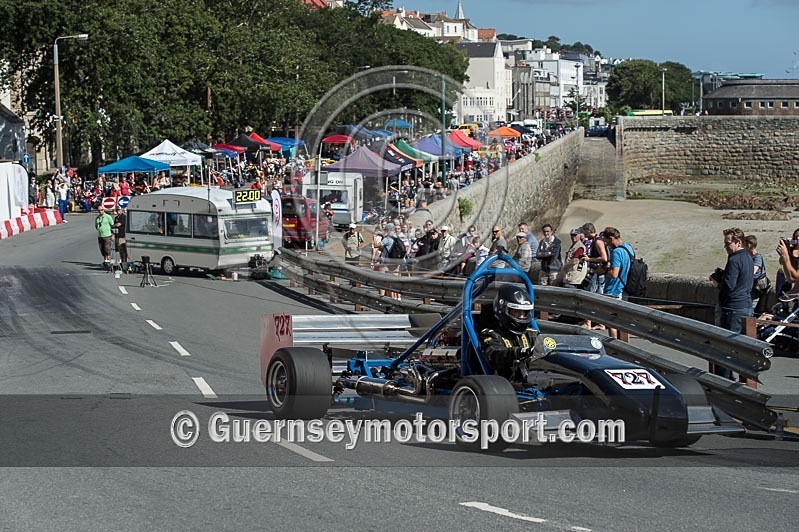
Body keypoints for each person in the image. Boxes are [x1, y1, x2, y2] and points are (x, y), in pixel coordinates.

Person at [711, 228, 754, 379]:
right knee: (743, 346)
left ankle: (724, 378)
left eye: (728, 243)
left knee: (726, 346)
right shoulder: (748, 257)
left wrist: (719, 281)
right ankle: (745, 377)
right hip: (746, 306)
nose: (726, 247)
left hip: (733, 308)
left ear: (738, 242)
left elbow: (728, 286)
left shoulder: (734, 259)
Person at [479, 284, 539, 378]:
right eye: (516, 312)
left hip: (534, 379)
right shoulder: (490, 334)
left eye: (523, 312)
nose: (521, 317)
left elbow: (545, 348)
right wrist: (521, 352)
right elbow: (494, 356)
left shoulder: (531, 334)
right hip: (504, 383)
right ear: (502, 310)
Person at [602, 227, 635, 339]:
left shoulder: (616, 252)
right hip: (626, 288)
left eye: (606, 242)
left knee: (612, 322)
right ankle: (625, 347)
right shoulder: (628, 248)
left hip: (614, 290)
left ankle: (615, 348)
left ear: (611, 238)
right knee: (623, 322)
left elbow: (614, 274)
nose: (607, 245)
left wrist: (604, 271)